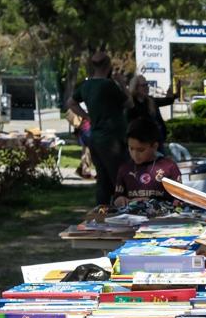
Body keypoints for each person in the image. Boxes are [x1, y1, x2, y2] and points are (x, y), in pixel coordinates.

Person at [68, 53, 131, 207]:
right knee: (120, 178)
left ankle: (101, 212)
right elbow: (130, 103)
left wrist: (87, 116)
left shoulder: (86, 85)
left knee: (103, 179)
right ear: (108, 65)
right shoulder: (108, 85)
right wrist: (122, 83)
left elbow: (71, 102)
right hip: (113, 139)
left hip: (95, 137)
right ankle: (124, 211)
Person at [113, 117, 182, 202]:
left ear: (154, 146)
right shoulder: (124, 169)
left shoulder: (169, 167)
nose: (135, 154)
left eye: (141, 150)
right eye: (131, 148)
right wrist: (120, 200)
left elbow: (179, 199)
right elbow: (117, 197)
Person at [126, 73, 177, 147]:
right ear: (136, 88)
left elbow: (167, 101)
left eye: (147, 85)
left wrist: (172, 94)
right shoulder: (132, 103)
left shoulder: (150, 100)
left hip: (156, 139)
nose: (147, 87)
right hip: (141, 141)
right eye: (143, 85)